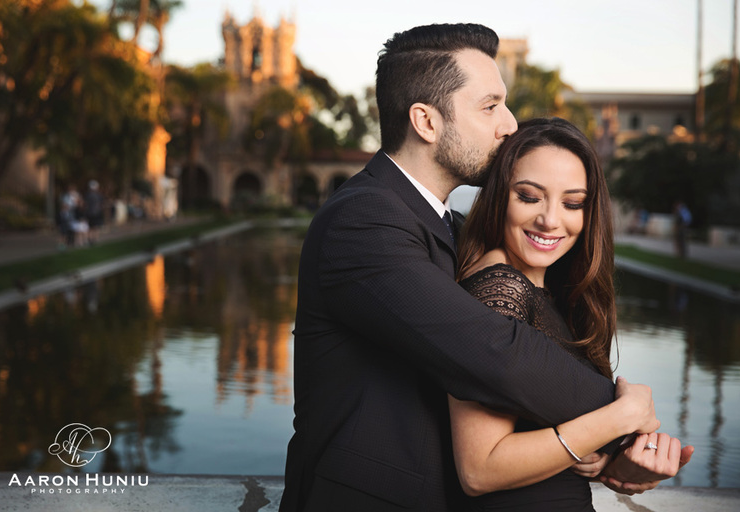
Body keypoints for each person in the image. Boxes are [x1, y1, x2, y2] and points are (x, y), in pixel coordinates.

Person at [280, 24, 686, 512]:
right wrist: (624, 420)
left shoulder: (450, 227)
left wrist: (598, 448)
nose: (510, 124)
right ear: (426, 122)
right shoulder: (362, 219)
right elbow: (496, 352)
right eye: (490, 106)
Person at [451, 117, 693, 511]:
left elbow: (545, 432)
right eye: (529, 196)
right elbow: (480, 469)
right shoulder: (499, 287)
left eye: (572, 203)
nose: (550, 220)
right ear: (498, 196)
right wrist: (621, 417)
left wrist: (610, 463)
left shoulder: (551, 288)